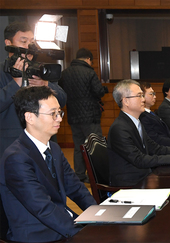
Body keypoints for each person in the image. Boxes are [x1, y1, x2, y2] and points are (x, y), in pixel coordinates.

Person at [0, 86, 96, 242]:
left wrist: (98, 215)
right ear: (30, 117)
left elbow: (76, 188)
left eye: (59, 112)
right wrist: (80, 233)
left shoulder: (54, 148)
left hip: (60, 223)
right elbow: (43, 208)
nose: (59, 118)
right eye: (53, 114)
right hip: (38, 234)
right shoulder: (16, 158)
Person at [108, 79, 170, 187]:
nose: (143, 100)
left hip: (143, 177)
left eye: (142, 95)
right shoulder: (119, 128)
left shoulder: (135, 122)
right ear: (126, 101)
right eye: (139, 96)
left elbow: (155, 148)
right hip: (130, 185)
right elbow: (139, 159)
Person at [0, 21, 67, 159]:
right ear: (8, 43)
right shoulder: (2, 71)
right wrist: (15, 83)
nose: (28, 47)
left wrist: (46, 84)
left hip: (43, 142)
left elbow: (62, 99)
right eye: (23, 41)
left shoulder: (39, 69)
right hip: (10, 145)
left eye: (31, 42)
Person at [59, 48, 107, 183]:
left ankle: (80, 175)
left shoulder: (65, 74)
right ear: (88, 59)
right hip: (90, 116)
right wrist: (104, 89)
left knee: (78, 146)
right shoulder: (89, 73)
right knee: (95, 146)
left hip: (73, 115)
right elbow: (98, 92)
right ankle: (98, 176)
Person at [139, 82, 170, 148]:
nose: (155, 97)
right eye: (151, 94)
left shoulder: (152, 114)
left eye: (154, 94)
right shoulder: (143, 116)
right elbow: (154, 138)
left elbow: (168, 132)